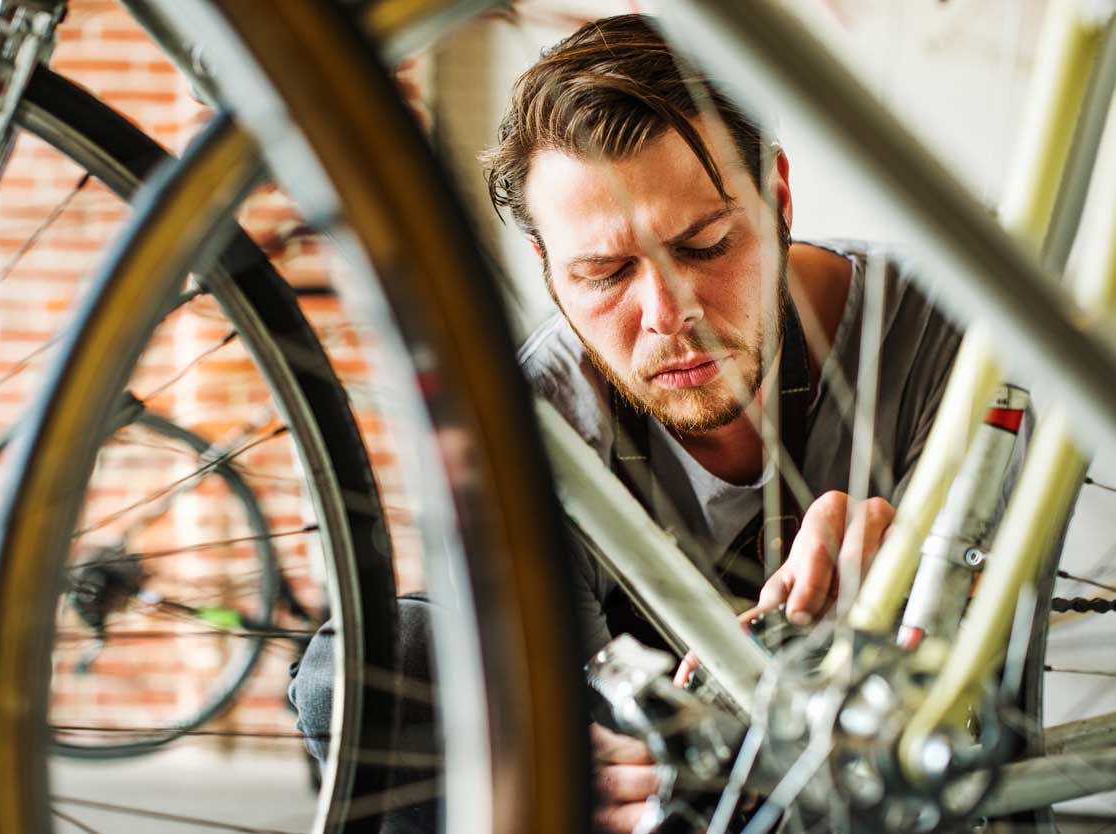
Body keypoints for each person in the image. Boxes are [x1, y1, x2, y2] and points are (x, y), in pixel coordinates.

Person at [292, 12, 964, 834]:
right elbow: (545, 672)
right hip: (656, 721)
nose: (666, 316)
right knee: (365, 670)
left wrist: (918, 559)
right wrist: (557, 757)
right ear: (548, 271)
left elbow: (991, 641)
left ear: (779, 198)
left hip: (874, 735)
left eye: (708, 246)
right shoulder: (539, 414)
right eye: (605, 273)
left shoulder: (945, 333)